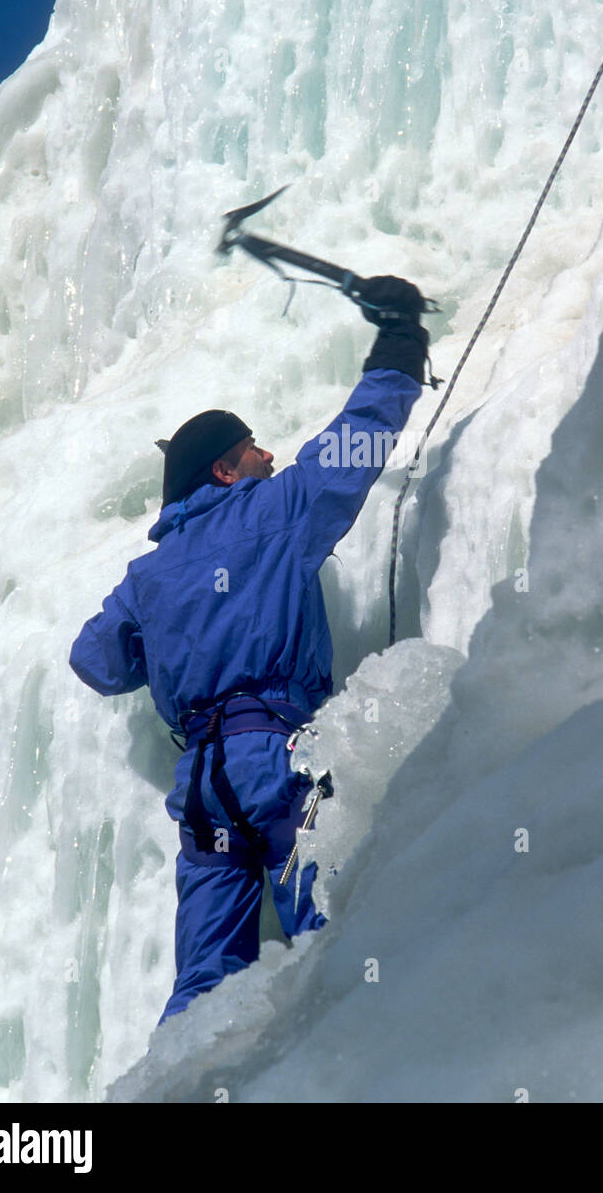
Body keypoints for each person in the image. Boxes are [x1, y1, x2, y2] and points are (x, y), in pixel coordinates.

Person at [69, 275, 431, 1022]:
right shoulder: (277, 509)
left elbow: (96, 660)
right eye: (252, 447)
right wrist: (399, 340)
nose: (270, 453)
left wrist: (174, 641)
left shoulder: (147, 575)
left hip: (204, 787)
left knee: (204, 986)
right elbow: (355, 441)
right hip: (278, 757)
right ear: (223, 471)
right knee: (331, 947)